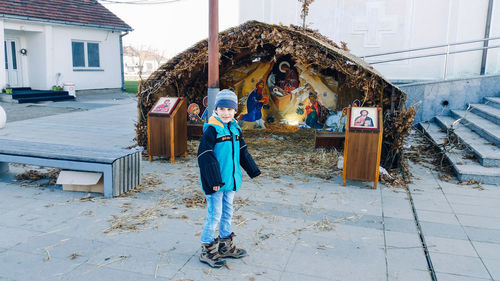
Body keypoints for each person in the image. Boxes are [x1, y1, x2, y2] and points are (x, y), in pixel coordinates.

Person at [197, 89, 261, 268]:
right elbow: (205, 155)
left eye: (229, 109)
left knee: (227, 213)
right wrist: (214, 181)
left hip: (231, 181)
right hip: (216, 183)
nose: (225, 113)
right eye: (222, 109)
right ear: (216, 109)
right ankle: (207, 249)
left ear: (235, 111)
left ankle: (225, 245)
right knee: (214, 215)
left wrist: (252, 169)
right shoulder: (212, 129)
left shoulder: (235, 127)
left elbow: (242, 151)